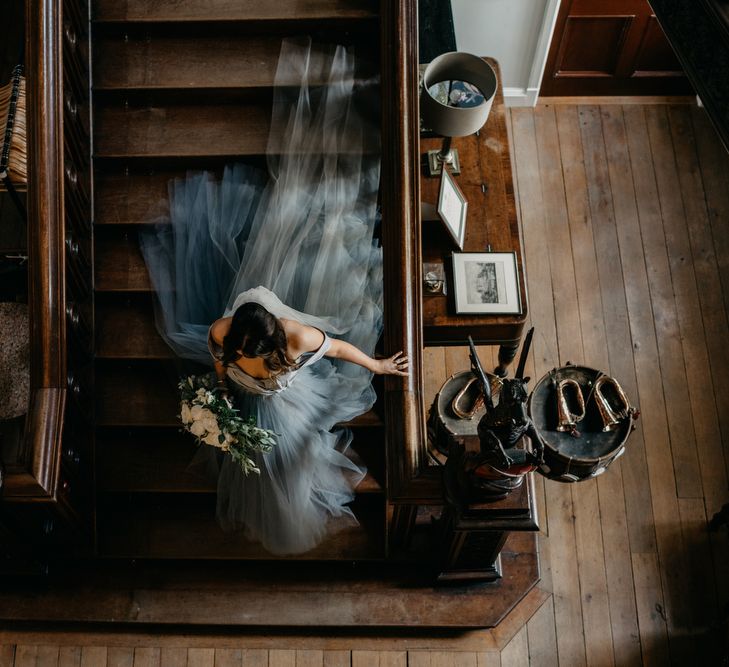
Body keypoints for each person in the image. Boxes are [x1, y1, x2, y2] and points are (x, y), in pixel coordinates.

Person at [139, 38, 401, 554]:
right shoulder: (222, 332)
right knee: (256, 460)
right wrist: (218, 389)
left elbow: (341, 349)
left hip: (287, 403)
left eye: (254, 351)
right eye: (243, 348)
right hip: (246, 399)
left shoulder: (298, 337)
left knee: (286, 458)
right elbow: (219, 357)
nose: (244, 354)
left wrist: (378, 366)